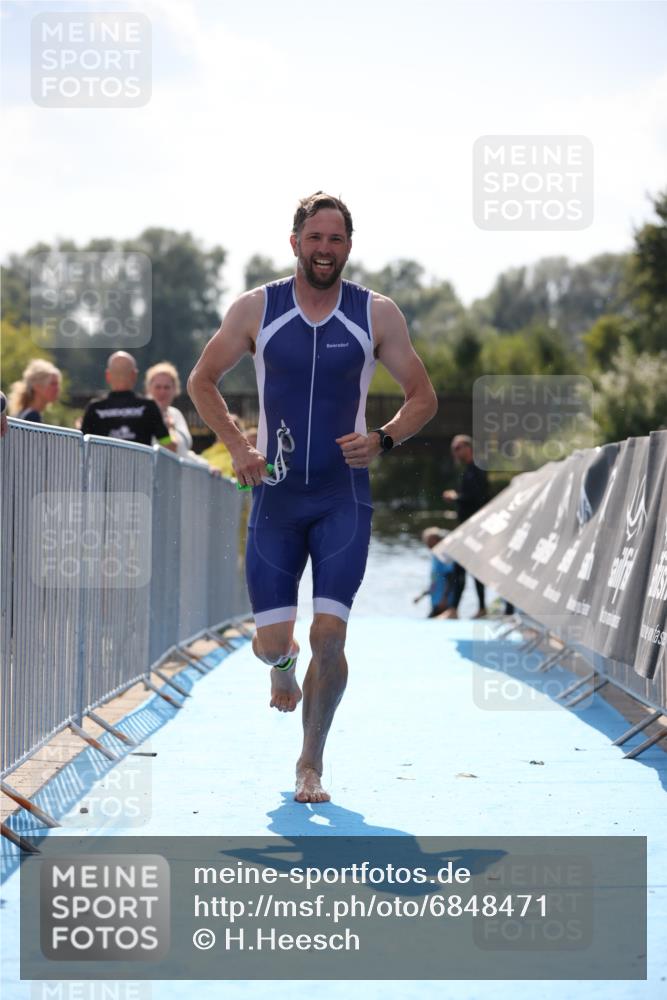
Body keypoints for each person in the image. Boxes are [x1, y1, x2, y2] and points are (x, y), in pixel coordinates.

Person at [188, 191, 438, 803]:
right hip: (276, 499)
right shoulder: (257, 308)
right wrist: (240, 446)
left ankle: (311, 763)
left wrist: (383, 438)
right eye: (316, 238)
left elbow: (422, 397)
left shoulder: (376, 313)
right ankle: (279, 667)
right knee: (274, 641)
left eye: (337, 240)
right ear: (295, 242)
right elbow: (202, 380)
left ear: (348, 247)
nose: (325, 249)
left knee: (331, 636)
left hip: (341, 497)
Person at [81, 351, 175, 449]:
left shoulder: (95, 408)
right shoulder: (148, 407)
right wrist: (171, 429)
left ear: (107, 376)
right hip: (141, 464)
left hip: (102, 464)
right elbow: (168, 444)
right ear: (134, 375)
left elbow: (80, 446)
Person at [442, 433, 488, 618]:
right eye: (453, 449)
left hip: (474, 528)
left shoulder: (476, 469)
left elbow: (478, 499)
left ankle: (463, 609)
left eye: (458, 448)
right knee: (462, 567)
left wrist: (455, 497)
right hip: (466, 527)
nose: (455, 452)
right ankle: (460, 608)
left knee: (468, 567)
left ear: (469, 448)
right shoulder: (469, 470)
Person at [145, 361, 193, 457]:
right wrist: (169, 429)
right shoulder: (143, 414)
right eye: (158, 387)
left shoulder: (176, 414)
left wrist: (207, 465)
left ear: (175, 389)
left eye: (167, 387)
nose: (162, 392)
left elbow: (184, 453)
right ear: (149, 388)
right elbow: (170, 448)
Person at [414, 527, 456, 618]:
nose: (426, 543)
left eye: (429, 540)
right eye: (425, 540)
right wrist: (421, 596)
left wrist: (444, 599)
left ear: (437, 540)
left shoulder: (443, 555)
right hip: (435, 601)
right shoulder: (434, 556)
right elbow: (434, 581)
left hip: (444, 602)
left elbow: (450, 577)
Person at [200, 413, 244, 477]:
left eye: (231, 428)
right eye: (223, 426)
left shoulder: (242, 455)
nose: (226, 430)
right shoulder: (206, 453)